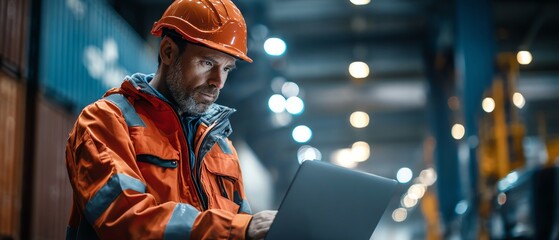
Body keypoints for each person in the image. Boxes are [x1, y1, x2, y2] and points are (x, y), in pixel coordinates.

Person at [65, 0, 276, 239]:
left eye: (227, 69)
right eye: (208, 63)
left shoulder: (222, 147)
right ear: (168, 51)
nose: (218, 81)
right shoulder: (106, 121)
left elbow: (241, 226)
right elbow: (124, 219)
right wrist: (237, 228)